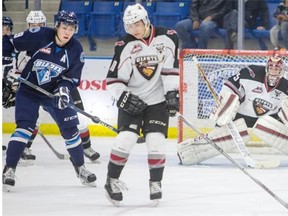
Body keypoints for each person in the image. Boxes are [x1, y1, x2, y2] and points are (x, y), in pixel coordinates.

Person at [2, 10, 97, 191]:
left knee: (70, 129)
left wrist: (63, 90)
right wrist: (5, 70)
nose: (67, 32)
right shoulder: (41, 35)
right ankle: (10, 169)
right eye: (64, 27)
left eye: (71, 28)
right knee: (24, 128)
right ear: (57, 26)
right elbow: (9, 43)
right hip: (29, 89)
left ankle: (80, 167)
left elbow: (72, 79)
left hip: (52, 93)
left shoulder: (76, 49)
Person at [104, 3, 179, 206]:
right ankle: (111, 181)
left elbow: (170, 69)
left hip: (157, 100)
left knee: (156, 140)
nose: (134, 30)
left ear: (146, 20)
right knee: (126, 138)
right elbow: (113, 79)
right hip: (132, 99)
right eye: (129, 26)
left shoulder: (168, 37)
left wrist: (172, 94)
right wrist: (123, 97)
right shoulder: (124, 45)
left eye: (137, 24)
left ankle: (155, 183)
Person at [177, 55, 288, 165]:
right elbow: (229, 88)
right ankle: (188, 153)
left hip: (268, 118)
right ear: (267, 68)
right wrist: (223, 104)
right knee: (223, 129)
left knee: (271, 123)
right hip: (240, 114)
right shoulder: (250, 73)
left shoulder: (286, 85)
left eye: (277, 69)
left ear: (282, 71)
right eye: (271, 68)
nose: (273, 72)